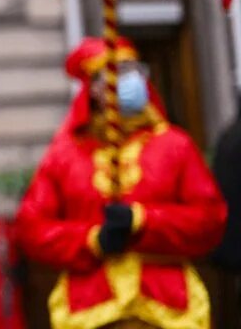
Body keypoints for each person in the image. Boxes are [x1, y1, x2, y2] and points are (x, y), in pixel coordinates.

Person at [15, 37, 227, 329]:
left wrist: (144, 221)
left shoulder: (175, 146)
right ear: (94, 89)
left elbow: (210, 218)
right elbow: (32, 228)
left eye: (133, 70)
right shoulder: (64, 156)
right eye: (117, 72)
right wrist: (91, 240)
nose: (130, 79)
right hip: (92, 309)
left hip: (166, 306)